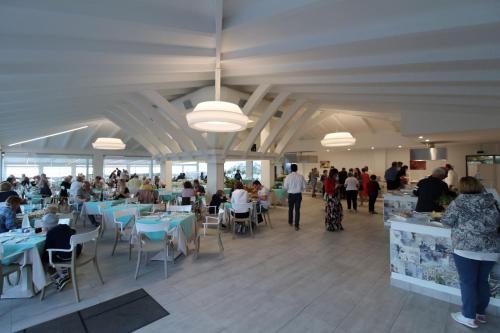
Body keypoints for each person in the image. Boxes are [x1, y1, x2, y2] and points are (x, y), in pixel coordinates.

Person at [441, 177, 499, 329]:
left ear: (462, 187)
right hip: (491, 249)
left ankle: (468, 316)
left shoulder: (459, 202)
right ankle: (480, 313)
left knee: (468, 283)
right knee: (482, 281)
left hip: (466, 249)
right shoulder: (491, 201)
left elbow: (446, 221)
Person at [44, 223, 82, 291]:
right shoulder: (65, 226)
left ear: (46, 226)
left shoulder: (50, 233)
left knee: (44, 259)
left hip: (67, 256)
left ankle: (59, 280)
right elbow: (73, 231)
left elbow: (48, 248)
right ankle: (65, 275)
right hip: (77, 251)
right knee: (62, 248)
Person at [284, 163, 306, 231]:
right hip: (298, 195)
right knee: (297, 210)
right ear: (297, 169)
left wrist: (290, 189)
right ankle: (296, 225)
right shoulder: (301, 176)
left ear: (291, 169)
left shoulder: (288, 177)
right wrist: (300, 190)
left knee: (290, 209)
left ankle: (290, 222)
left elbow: (285, 187)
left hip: (290, 195)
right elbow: (304, 186)